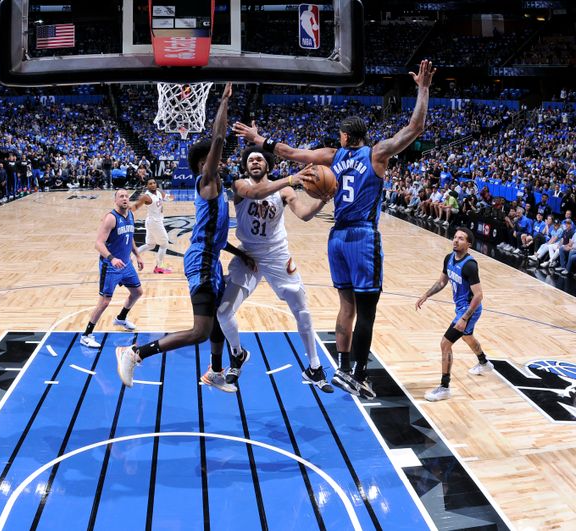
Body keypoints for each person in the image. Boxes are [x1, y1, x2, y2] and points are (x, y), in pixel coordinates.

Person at [233, 59, 437, 399]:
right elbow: (414, 129)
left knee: (346, 306)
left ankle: (342, 367)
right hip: (362, 237)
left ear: (345, 135)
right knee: (367, 310)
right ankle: (358, 373)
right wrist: (424, 88)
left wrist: (260, 138)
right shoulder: (378, 154)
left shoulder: (331, 155)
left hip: (336, 238)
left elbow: (290, 152)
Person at [114, 83, 278, 392]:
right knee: (201, 331)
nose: (220, 161)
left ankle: (215, 371)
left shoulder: (216, 188)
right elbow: (217, 137)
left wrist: (239, 253)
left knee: (216, 318)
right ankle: (135, 353)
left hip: (211, 259)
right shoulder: (207, 181)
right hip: (201, 261)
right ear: (203, 164)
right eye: (213, 159)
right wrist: (224, 102)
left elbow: (214, 236)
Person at [216, 146, 333, 392]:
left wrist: (322, 200)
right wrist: (289, 178)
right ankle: (237, 354)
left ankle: (314, 367)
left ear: (267, 165)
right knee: (224, 313)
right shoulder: (239, 186)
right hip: (248, 254)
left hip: (277, 255)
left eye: (260, 159)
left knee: (302, 310)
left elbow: (303, 215)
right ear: (246, 166)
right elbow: (256, 193)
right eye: (251, 160)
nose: (255, 162)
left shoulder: (285, 190)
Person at [416, 227, 492, 402]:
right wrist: (426, 295)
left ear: (469, 244)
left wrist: (465, 318)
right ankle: (484, 363)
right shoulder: (448, 258)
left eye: (461, 238)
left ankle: (444, 387)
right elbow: (442, 281)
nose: (456, 240)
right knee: (467, 337)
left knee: (445, 344)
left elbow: (479, 295)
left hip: (469, 310)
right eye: (455, 237)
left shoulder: (470, 266)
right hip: (461, 309)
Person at [80, 189, 145, 348]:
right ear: (115, 200)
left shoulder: (130, 214)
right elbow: (98, 244)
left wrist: (138, 255)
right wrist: (112, 258)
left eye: (126, 196)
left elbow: (129, 238)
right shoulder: (110, 218)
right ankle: (86, 334)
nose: (125, 198)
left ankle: (121, 318)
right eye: (121, 196)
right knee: (104, 302)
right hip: (110, 266)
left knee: (137, 292)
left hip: (126, 264)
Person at [132, 178, 174, 274]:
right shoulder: (146, 197)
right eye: (150, 183)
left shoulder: (158, 191)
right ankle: (159, 267)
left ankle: (130, 259)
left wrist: (171, 197)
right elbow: (135, 206)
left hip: (153, 222)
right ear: (147, 186)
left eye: (154, 183)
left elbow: (167, 197)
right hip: (155, 222)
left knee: (150, 245)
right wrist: (125, 212)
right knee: (164, 244)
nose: (153, 185)